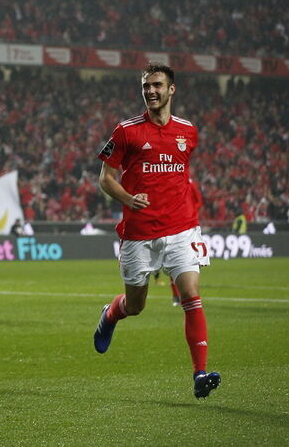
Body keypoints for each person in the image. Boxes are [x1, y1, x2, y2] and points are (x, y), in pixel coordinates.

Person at [93, 64, 220, 399]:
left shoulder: (188, 131)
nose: (150, 91)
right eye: (146, 86)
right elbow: (105, 178)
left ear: (172, 89)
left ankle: (200, 372)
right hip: (139, 233)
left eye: (157, 85)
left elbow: (178, 177)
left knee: (191, 295)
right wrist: (128, 199)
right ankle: (110, 314)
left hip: (182, 227)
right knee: (136, 305)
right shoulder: (126, 131)